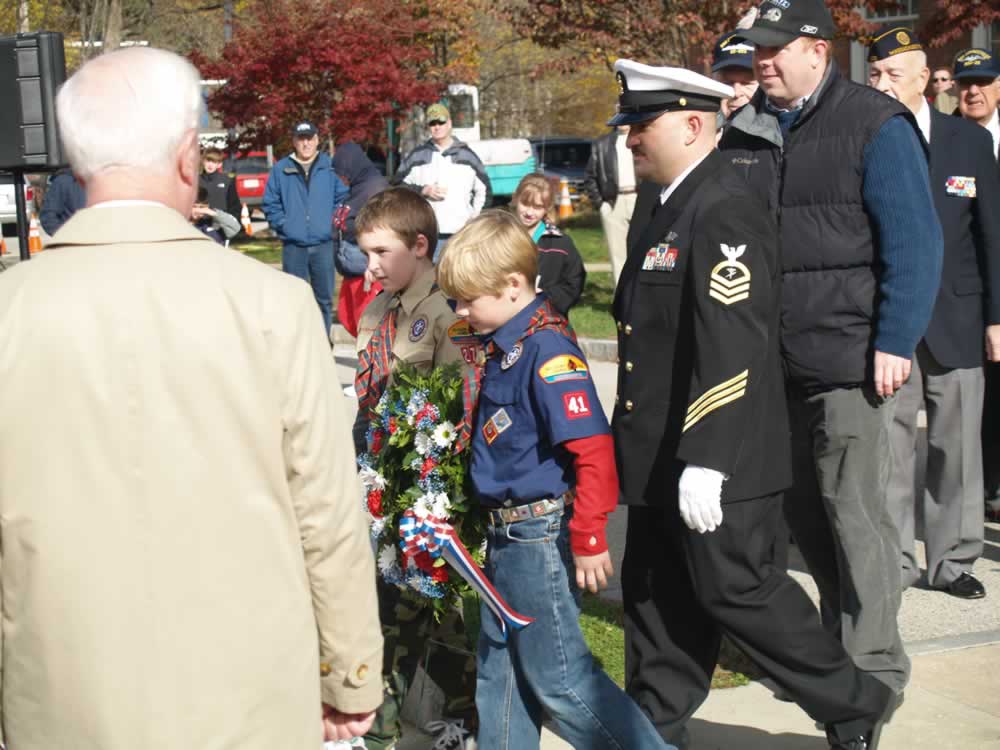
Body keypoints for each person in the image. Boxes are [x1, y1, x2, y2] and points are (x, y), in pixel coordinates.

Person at [0, 46, 382, 750]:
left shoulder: (10, 309)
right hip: (246, 694)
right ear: (186, 158)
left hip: (59, 695)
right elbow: (326, 512)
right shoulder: (274, 304)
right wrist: (349, 673)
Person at [609, 59, 893, 750]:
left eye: (642, 126)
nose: (629, 140)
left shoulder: (723, 204)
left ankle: (855, 701)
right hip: (657, 451)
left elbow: (731, 343)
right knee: (656, 594)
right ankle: (654, 722)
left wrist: (705, 460)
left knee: (739, 592)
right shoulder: (668, 203)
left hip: (717, 455)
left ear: (694, 124)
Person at [720, 0, 943, 698]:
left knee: (858, 518)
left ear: (817, 50)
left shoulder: (874, 123)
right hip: (771, 365)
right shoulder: (747, 133)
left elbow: (915, 241)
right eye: (757, 48)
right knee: (806, 518)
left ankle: (872, 674)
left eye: (777, 48)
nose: (762, 59)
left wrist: (895, 338)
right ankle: (834, 650)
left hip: (851, 361)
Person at [436, 210, 672, 750]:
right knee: (502, 678)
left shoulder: (547, 351)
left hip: (535, 536)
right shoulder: (504, 343)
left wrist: (589, 535)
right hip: (506, 536)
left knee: (559, 680)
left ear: (513, 285)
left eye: (469, 298)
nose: (460, 310)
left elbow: (592, 450)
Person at [869, 29, 1000, 601]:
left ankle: (952, 560)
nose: (881, 84)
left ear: (925, 78)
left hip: (958, 317)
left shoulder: (967, 142)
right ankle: (895, 561)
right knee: (890, 449)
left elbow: (992, 233)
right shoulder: (865, 135)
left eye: (893, 74)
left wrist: (997, 314)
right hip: (891, 320)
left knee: (957, 447)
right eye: (874, 75)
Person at [352, 186, 479, 750]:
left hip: (427, 491)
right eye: (366, 253)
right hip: (381, 478)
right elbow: (369, 396)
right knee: (385, 604)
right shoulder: (380, 307)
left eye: (382, 252)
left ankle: (446, 721)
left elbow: (459, 405)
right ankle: (384, 720)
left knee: (433, 607)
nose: (370, 265)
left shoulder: (446, 312)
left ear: (420, 245)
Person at [953, 48, 1000, 522]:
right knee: (978, 402)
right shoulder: (946, 138)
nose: (974, 90)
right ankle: (985, 486)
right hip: (969, 297)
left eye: (984, 81)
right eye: (967, 82)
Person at [262, 121, 348, 338]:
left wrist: (330, 223)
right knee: (293, 300)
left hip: (323, 244)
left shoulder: (330, 167)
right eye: (301, 139)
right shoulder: (281, 169)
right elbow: (270, 203)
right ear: (294, 141)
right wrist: (284, 225)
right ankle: (297, 346)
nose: (306, 143)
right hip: (294, 246)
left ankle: (322, 345)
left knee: (324, 300)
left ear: (317, 140)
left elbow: (343, 199)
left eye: (310, 138)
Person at [394, 103, 491, 261]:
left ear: (450, 123)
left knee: (459, 282)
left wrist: (475, 219)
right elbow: (397, 187)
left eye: (441, 122)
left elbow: (485, 191)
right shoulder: (417, 156)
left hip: (461, 236)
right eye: (432, 123)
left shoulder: (467, 155)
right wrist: (422, 190)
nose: (437, 127)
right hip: (426, 235)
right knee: (429, 283)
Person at [510, 173, 586, 316]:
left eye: (537, 207)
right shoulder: (500, 238)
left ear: (547, 207)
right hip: (504, 318)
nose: (529, 212)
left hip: (546, 320)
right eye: (525, 204)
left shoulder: (561, 243)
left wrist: (546, 297)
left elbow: (574, 283)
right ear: (515, 198)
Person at [582, 125, 636, 284]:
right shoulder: (602, 144)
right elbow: (590, 176)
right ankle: (621, 300)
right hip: (613, 202)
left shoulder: (642, 139)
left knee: (645, 251)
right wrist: (600, 204)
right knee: (618, 255)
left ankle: (642, 297)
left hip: (639, 198)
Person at [711, 32, 759, 119]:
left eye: (746, 83)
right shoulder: (700, 130)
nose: (736, 93)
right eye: (728, 83)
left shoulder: (783, 129)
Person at [199, 146, 242, 224]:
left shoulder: (227, 180)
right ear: (203, 161)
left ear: (219, 164)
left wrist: (233, 223)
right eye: (208, 161)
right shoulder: (196, 181)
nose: (210, 165)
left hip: (221, 224)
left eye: (214, 162)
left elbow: (234, 205)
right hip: (200, 224)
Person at [39, 167, 85, 235]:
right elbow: (48, 216)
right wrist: (64, 237)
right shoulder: (64, 182)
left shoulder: (101, 181)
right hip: (75, 241)